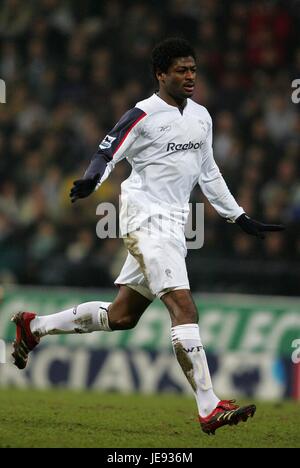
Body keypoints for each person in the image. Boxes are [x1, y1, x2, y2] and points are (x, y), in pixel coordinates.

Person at [11, 38, 284, 435]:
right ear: (161, 74)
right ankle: (208, 406)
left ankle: (33, 327)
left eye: (193, 69)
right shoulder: (143, 114)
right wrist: (92, 179)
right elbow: (108, 152)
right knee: (183, 307)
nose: (190, 76)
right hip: (146, 221)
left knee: (121, 316)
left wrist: (238, 216)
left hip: (175, 224)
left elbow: (208, 173)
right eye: (181, 70)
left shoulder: (202, 118)